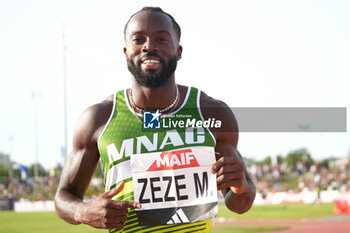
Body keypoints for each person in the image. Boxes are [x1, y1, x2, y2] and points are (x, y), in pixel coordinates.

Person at [54, 6, 256, 232]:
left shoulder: (211, 113)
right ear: (125, 51)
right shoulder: (98, 118)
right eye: (138, 39)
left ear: (178, 51)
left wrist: (241, 188)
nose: (149, 46)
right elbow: (64, 197)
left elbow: (241, 204)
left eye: (161, 39)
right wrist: (82, 211)